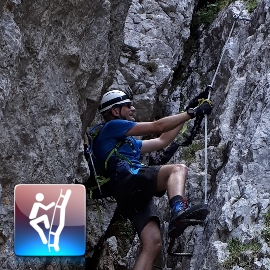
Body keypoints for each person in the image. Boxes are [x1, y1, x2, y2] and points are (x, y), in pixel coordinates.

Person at [94, 90, 212, 270]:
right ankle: (179, 209)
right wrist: (191, 113)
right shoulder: (112, 127)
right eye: (128, 105)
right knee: (177, 169)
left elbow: (162, 140)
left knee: (153, 244)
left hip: (128, 194)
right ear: (115, 111)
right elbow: (157, 126)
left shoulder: (126, 142)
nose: (133, 108)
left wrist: (186, 115)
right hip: (129, 179)